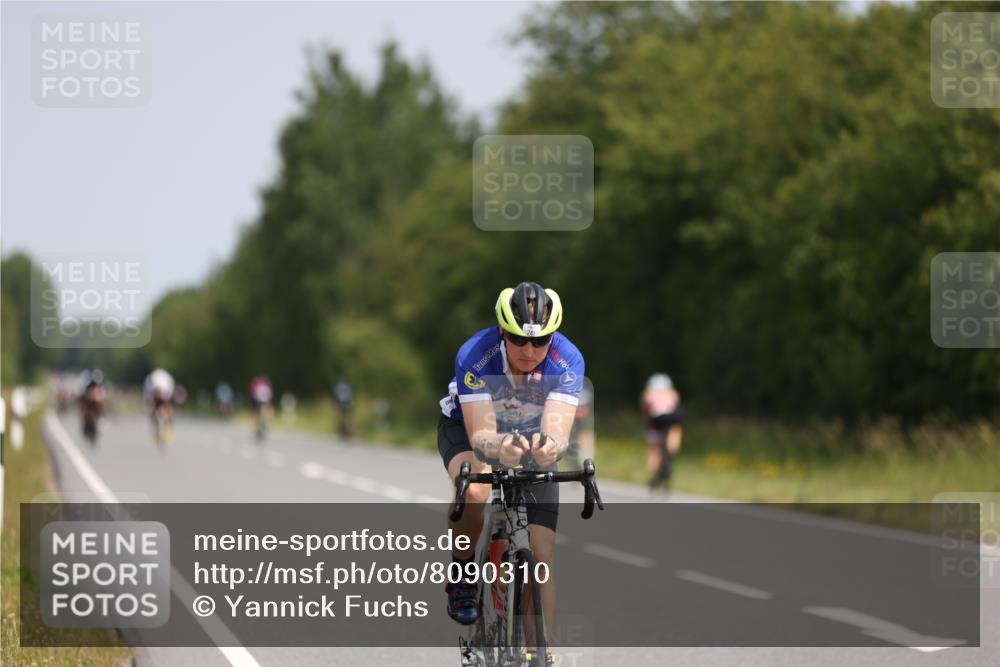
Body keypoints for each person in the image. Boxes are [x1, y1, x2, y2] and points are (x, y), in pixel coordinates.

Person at [438, 282, 584, 653]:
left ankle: (540, 653)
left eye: (540, 341)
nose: (529, 350)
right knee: (474, 488)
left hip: (529, 434)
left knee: (542, 552)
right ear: (503, 332)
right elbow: (482, 434)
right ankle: (463, 572)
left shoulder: (568, 359)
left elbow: (556, 429)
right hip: (469, 428)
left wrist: (547, 447)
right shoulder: (476, 353)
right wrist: (502, 447)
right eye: (519, 340)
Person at [642, 373, 683, 490]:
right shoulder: (673, 393)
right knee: (675, 431)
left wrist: (647, 424)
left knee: (654, 449)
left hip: (656, 421)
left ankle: (654, 473)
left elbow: (645, 412)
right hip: (672, 420)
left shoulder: (647, 393)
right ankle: (670, 454)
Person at [143, 368, 176, 444]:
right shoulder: (150, 387)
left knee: (168, 410)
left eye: (160, 395)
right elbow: (148, 400)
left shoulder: (167, 387)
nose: (159, 397)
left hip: (166, 388)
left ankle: (169, 428)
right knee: (152, 411)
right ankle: (156, 430)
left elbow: (167, 400)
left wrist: (165, 411)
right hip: (152, 390)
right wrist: (151, 408)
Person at [79, 370, 106, 446]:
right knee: (84, 412)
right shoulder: (87, 386)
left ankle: (101, 419)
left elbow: (103, 397)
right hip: (88, 404)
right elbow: (82, 397)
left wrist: (100, 400)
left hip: (96, 405)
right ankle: (86, 427)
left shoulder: (100, 387)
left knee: (101, 410)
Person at [248, 375, 274, 440]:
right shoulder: (266, 385)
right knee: (264, 411)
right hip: (263, 399)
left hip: (258, 400)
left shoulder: (257, 384)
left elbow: (252, 392)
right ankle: (264, 423)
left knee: (257, 414)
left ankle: (259, 426)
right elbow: (269, 394)